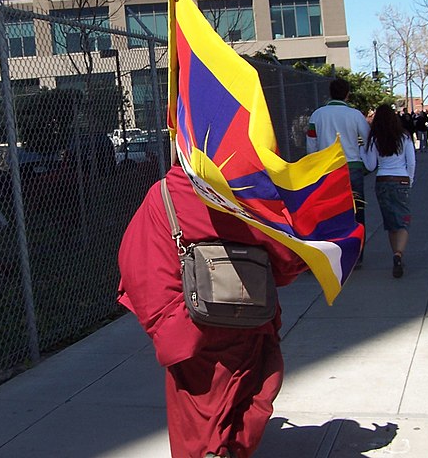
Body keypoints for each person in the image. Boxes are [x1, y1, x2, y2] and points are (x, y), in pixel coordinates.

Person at [118, 165, 309, 458]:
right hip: (247, 319)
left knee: (194, 418)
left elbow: (138, 261)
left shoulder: (167, 192)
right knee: (251, 395)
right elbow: (286, 258)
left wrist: (168, 319)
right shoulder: (249, 191)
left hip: (190, 324)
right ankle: (227, 449)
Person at [306, 78, 370, 265]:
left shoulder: (317, 115)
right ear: (347, 94)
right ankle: (357, 254)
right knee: (357, 210)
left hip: (327, 168)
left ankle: (332, 252)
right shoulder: (355, 115)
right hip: (352, 167)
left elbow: (311, 145)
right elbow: (368, 139)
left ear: (330, 92)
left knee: (329, 211)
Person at [361, 104, 416, 278]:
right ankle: (399, 254)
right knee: (403, 221)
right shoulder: (404, 137)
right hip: (401, 179)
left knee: (391, 222)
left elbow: (370, 165)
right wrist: (409, 180)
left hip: (382, 180)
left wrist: (361, 150)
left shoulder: (375, 139)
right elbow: (411, 162)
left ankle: (395, 253)